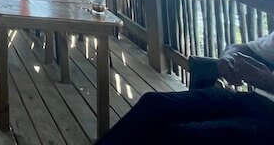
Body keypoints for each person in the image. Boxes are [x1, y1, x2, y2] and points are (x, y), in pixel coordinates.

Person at [96, 31, 274, 144]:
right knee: (154, 104)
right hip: (252, 101)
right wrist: (229, 57)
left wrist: (267, 81)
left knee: (187, 136)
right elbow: (241, 48)